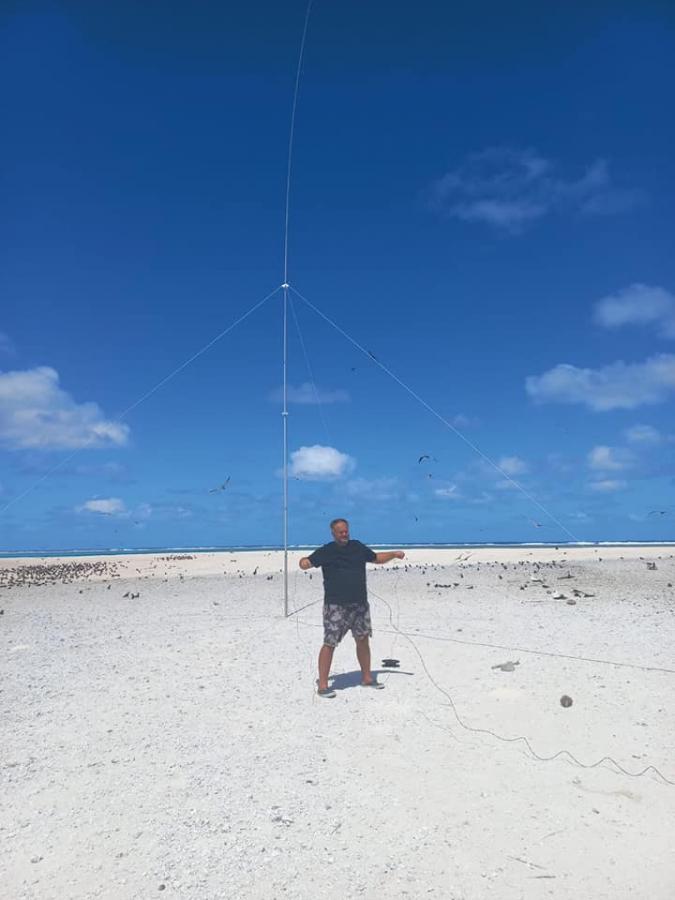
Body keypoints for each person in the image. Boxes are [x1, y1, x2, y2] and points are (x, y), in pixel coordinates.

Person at [298, 518, 405, 698]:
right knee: (330, 643)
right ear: (333, 533)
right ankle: (323, 685)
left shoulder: (357, 546)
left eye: (346, 530)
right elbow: (307, 561)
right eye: (340, 532)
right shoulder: (327, 551)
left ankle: (367, 678)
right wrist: (303, 562)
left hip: (360, 605)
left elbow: (376, 558)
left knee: (363, 640)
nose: (345, 534)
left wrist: (394, 554)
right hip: (335, 606)